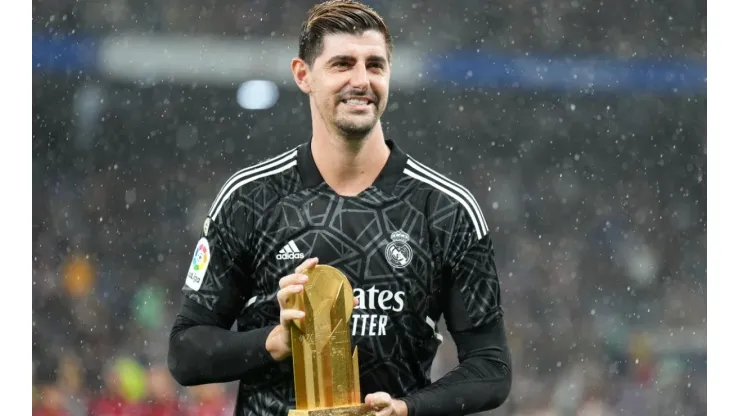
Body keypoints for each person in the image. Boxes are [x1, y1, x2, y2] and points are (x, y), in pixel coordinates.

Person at [167, 1, 512, 415]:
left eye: (375, 65)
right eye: (342, 64)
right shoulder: (248, 198)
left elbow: (491, 368)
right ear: (303, 75)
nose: (361, 80)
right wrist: (274, 340)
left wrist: (407, 408)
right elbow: (185, 353)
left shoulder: (446, 209)